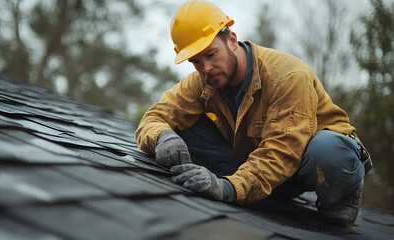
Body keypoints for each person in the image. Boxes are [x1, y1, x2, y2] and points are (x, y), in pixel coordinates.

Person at [135, 0, 372, 227]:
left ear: (232, 40)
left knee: (328, 150)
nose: (206, 69)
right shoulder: (203, 81)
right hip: (256, 164)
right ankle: (261, 190)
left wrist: (228, 189)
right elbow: (154, 117)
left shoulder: (287, 76)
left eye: (211, 54)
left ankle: (343, 195)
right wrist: (162, 138)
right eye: (196, 62)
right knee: (178, 130)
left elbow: (282, 151)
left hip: (308, 161)